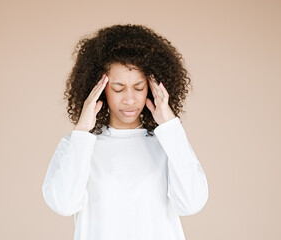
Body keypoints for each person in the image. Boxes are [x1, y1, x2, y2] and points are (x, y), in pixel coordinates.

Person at [42, 23, 209, 240]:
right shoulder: (78, 145)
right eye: (118, 88)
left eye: (139, 87)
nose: (130, 99)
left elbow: (192, 203)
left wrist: (170, 126)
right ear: (99, 90)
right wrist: (82, 131)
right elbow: (63, 204)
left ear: (152, 86)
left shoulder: (167, 143)